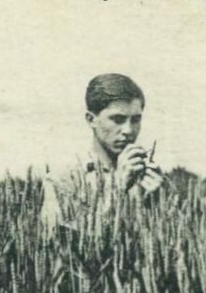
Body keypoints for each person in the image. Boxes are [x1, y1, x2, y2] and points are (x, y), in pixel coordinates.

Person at [41, 73, 166, 230]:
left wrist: (158, 203)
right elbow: (57, 243)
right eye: (117, 120)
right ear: (91, 119)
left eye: (135, 120)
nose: (128, 130)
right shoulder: (62, 179)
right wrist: (118, 190)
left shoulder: (149, 177)